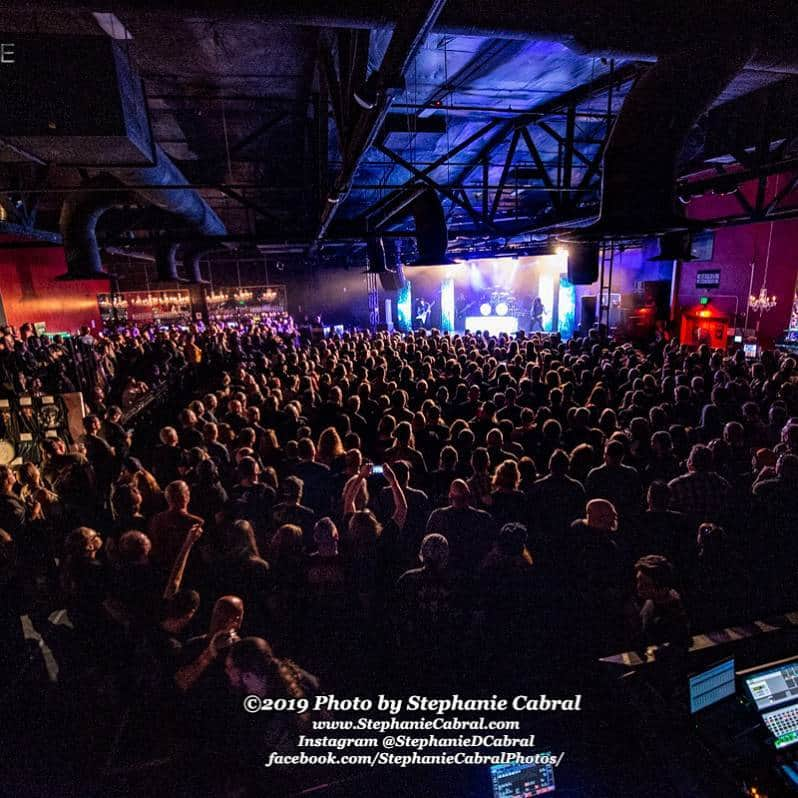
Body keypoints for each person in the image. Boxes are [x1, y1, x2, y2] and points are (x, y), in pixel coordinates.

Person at [425, 479, 497, 576]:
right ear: (469, 495)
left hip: (445, 574)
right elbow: (492, 547)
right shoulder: (483, 518)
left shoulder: (437, 516)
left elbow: (427, 544)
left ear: (450, 496)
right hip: (475, 573)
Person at [147, 481, 204, 573]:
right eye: (188, 491)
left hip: (161, 569)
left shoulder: (155, 520)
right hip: (188, 570)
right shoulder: (196, 523)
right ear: (186, 497)